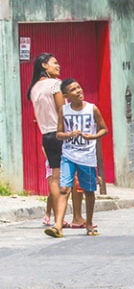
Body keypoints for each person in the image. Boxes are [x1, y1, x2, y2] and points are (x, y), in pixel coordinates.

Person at [27, 53, 85, 228]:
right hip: (62, 134)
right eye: (55, 63)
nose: (58, 66)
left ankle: (57, 218)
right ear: (44, 65)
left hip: (47, 136)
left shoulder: (34, 88)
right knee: (74, 175)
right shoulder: (55, 84)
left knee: (54, 177)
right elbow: (63, 110)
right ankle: (76, 217)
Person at [46, 78, 108, 238]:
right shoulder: (64, 110)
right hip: (68, 155)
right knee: (64, 189)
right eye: (73, 90)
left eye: (79, 87)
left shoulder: (92, 109)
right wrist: (69, 134)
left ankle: (88, 223)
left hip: (87, 156)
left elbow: (104, 129)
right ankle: (58, 225)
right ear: (66, 95)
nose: (78, 91)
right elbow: (59, 134)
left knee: (88, 191)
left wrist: (93, 136)